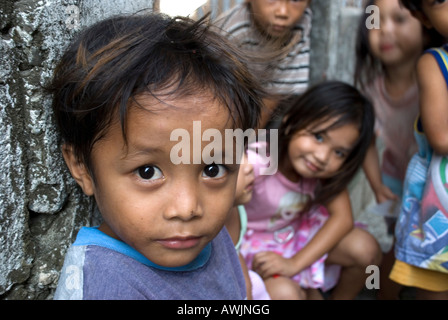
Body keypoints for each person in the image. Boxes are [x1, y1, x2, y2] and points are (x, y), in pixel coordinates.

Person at [49, 13, 266, 299]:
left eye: (212, 169)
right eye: (147, 172)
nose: (188, 208)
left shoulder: (210, 237)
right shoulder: (106, 285)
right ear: (82, 168)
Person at [240, 81, 382, 300]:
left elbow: (343, 219)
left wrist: (295, 264)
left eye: (339, 153)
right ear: (291, 121)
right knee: (286, 295)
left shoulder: (321, 176)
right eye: (318, 137)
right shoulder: (258, 162)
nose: (322, 157)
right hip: (252, 252)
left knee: (366, 249)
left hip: (295, 240)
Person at [353, 0, 426, 299]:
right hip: (394, 185)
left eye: (399, 19)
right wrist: (378, 185)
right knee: (393, 245)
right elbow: (367, 141)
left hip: (430, 188)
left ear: (426, 24)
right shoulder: (371, 90)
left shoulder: (433, 83)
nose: (384, 30)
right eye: (375, 21)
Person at [386, 0, 448, 299]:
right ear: (423, 15)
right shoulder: (435, 63)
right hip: (441, 205)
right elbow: (441, 136)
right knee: (435, 283)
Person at [214, 0, 312, 128]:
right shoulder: (232, 32)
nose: (283, 12)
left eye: (295, 0)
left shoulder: (303, 25)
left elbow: (272, 99)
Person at [225, 151, 271, 300]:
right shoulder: (207, 227)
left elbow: (236, 254)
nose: (249, 167)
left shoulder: (237, 208)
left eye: (244, 153)